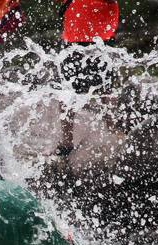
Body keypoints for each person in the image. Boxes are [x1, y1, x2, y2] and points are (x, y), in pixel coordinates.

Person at [57, 0, 119, 156]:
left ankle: (67, 142)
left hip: (87, 27)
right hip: (87, 28)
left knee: (70, 90)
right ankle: (111, 130)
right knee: (104, 86)